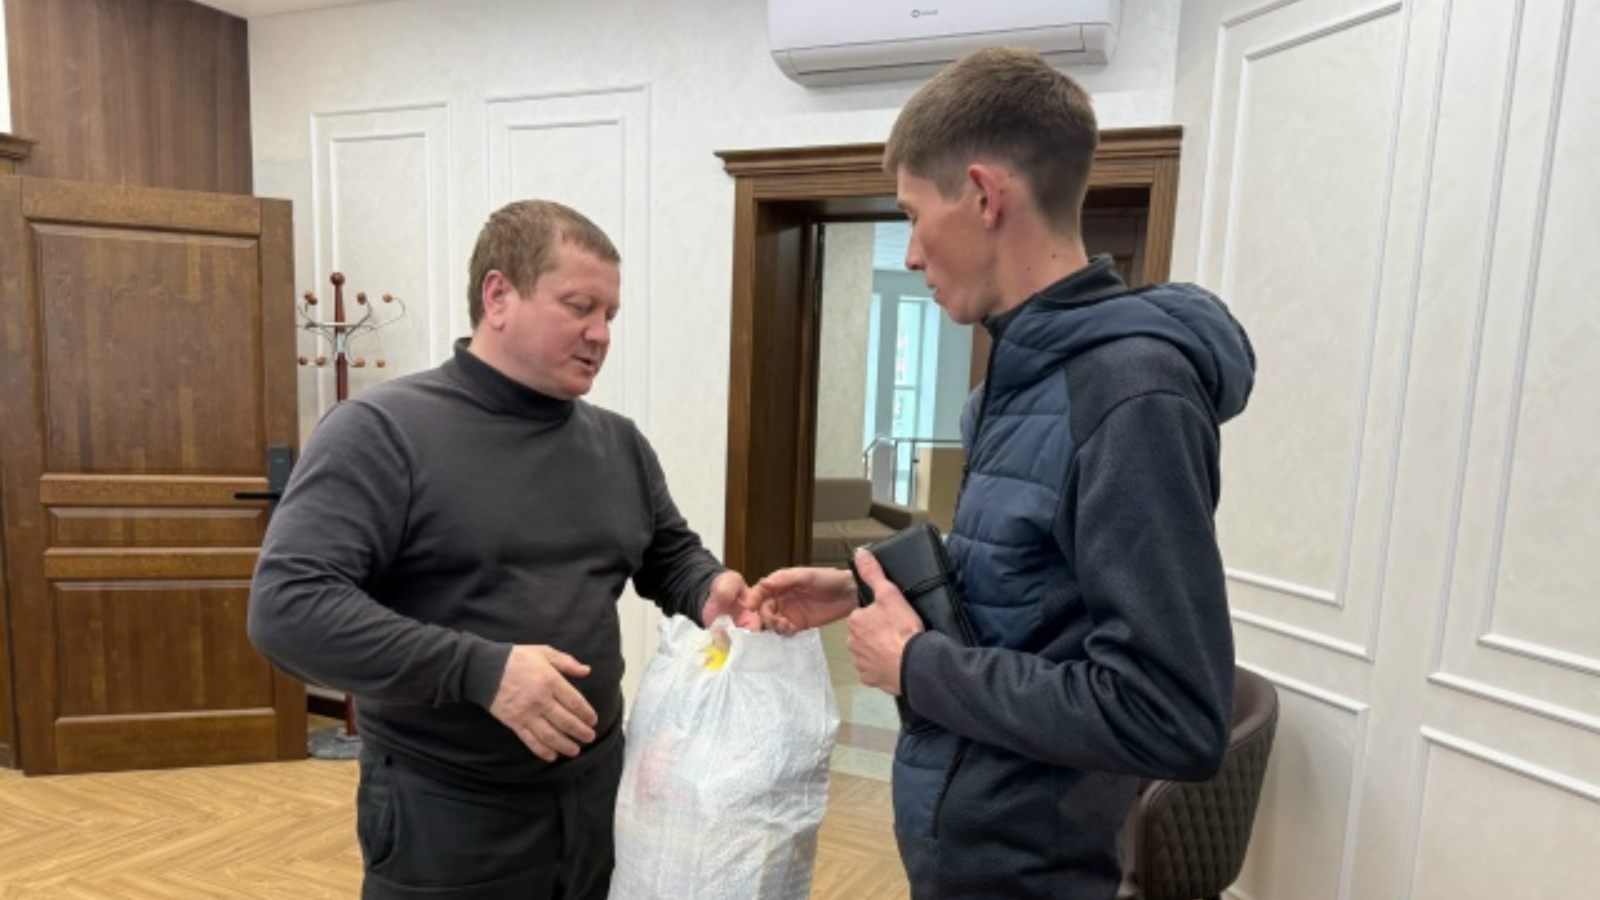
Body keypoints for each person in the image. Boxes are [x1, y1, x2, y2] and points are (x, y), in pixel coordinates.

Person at [750, 47, 1256, 899]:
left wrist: (916, 667)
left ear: (985, 197)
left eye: (913, 216)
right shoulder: (1006, 390)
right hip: (962, 856)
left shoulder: (1130, 395)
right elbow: (1028, 588)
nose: (912, 254)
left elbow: (1170, 715)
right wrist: (861, 590)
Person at [248, 200, 758, 900]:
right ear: (498, 297)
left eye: (610, 314)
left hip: (597, 797)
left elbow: (668, 555)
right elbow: (288, 609)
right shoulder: (381, 431)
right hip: (447, 812)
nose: (601, 333)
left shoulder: (619, 444)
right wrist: (480, 671)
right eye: (579, 307)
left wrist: (708, 588)